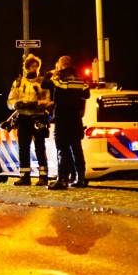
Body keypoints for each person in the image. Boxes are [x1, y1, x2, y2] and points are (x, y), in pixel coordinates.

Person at [43, 56, 91, 190]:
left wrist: (51, 73)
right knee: (77, 149)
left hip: (62, 118)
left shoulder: (59, 77)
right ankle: (80, 178)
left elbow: (44, 84)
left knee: (62, 149)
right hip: (76, 118)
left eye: (57, 64)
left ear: (61, 65)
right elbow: (87, 95)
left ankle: (62, 179)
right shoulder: (79, 78)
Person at [7, 54, 52, 186]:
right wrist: (18, 104)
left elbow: (48, 100)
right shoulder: (18, 83)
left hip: (38, 117)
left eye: (36, 67)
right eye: (32, 67)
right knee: (23, 148)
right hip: (23, 118)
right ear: (26, 68)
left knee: (40, 147)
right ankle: (25, 177)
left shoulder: (42, 83)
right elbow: (10, 101)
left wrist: (38, 104)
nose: (35, 70)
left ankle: (43, 177)